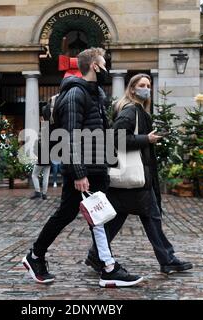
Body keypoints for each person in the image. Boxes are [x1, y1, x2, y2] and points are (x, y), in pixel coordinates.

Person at [22, 47, 142, 288]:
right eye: (103, 63)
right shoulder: (75, 94)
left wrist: (107, 162)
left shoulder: (96, 93)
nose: (107, 67)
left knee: (91, 217)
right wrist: (78, 172)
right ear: (95, 66)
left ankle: (103, 265)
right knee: (76, 216)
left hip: (95, 166)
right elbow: (70, 136)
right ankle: (104, 267)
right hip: (84, 168)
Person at [85, 74, 193, 275]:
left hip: (129, 178)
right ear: (132, 89)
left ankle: (95, 254)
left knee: (119, 218)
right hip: (135, 177)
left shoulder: (137, 110)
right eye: (142, 85)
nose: (146, 88)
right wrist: (146, 139)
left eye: (148, 85)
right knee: (152, 216)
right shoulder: (131, 110)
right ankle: (167, 259)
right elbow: (116, 137)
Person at [30, 112, 52, 200]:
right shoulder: (50, 132)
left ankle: (38, 192)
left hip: (41, 158)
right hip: (48, 158)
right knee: (46, 176)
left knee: (34, 175)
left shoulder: (42, 131)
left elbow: (37, 146)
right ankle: (44, 194)